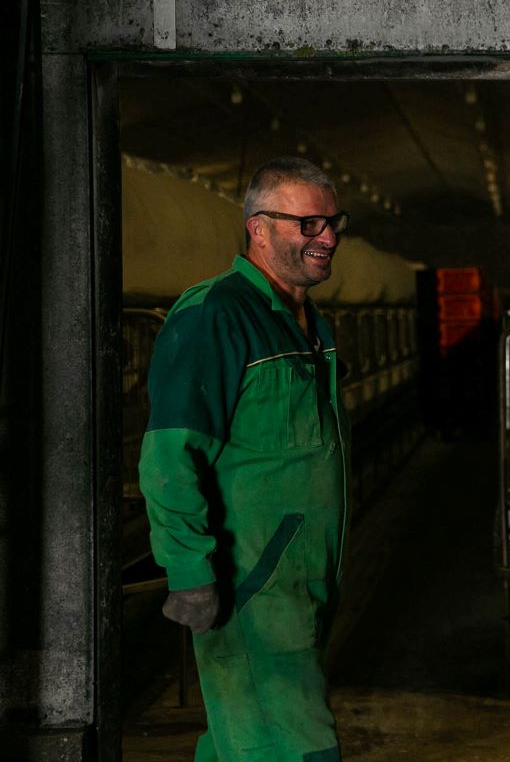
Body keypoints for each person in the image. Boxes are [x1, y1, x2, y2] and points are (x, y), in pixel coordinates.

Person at [139, 156, 351, 761]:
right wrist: (189, 571)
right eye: (308, 225)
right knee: (297, 748)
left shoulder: (307, 322)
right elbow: (169, 457)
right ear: (259, 228)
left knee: (243, 742)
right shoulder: (217, 314)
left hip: (300, 584)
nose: (328, 237)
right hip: (252, 586)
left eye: (333, 221)